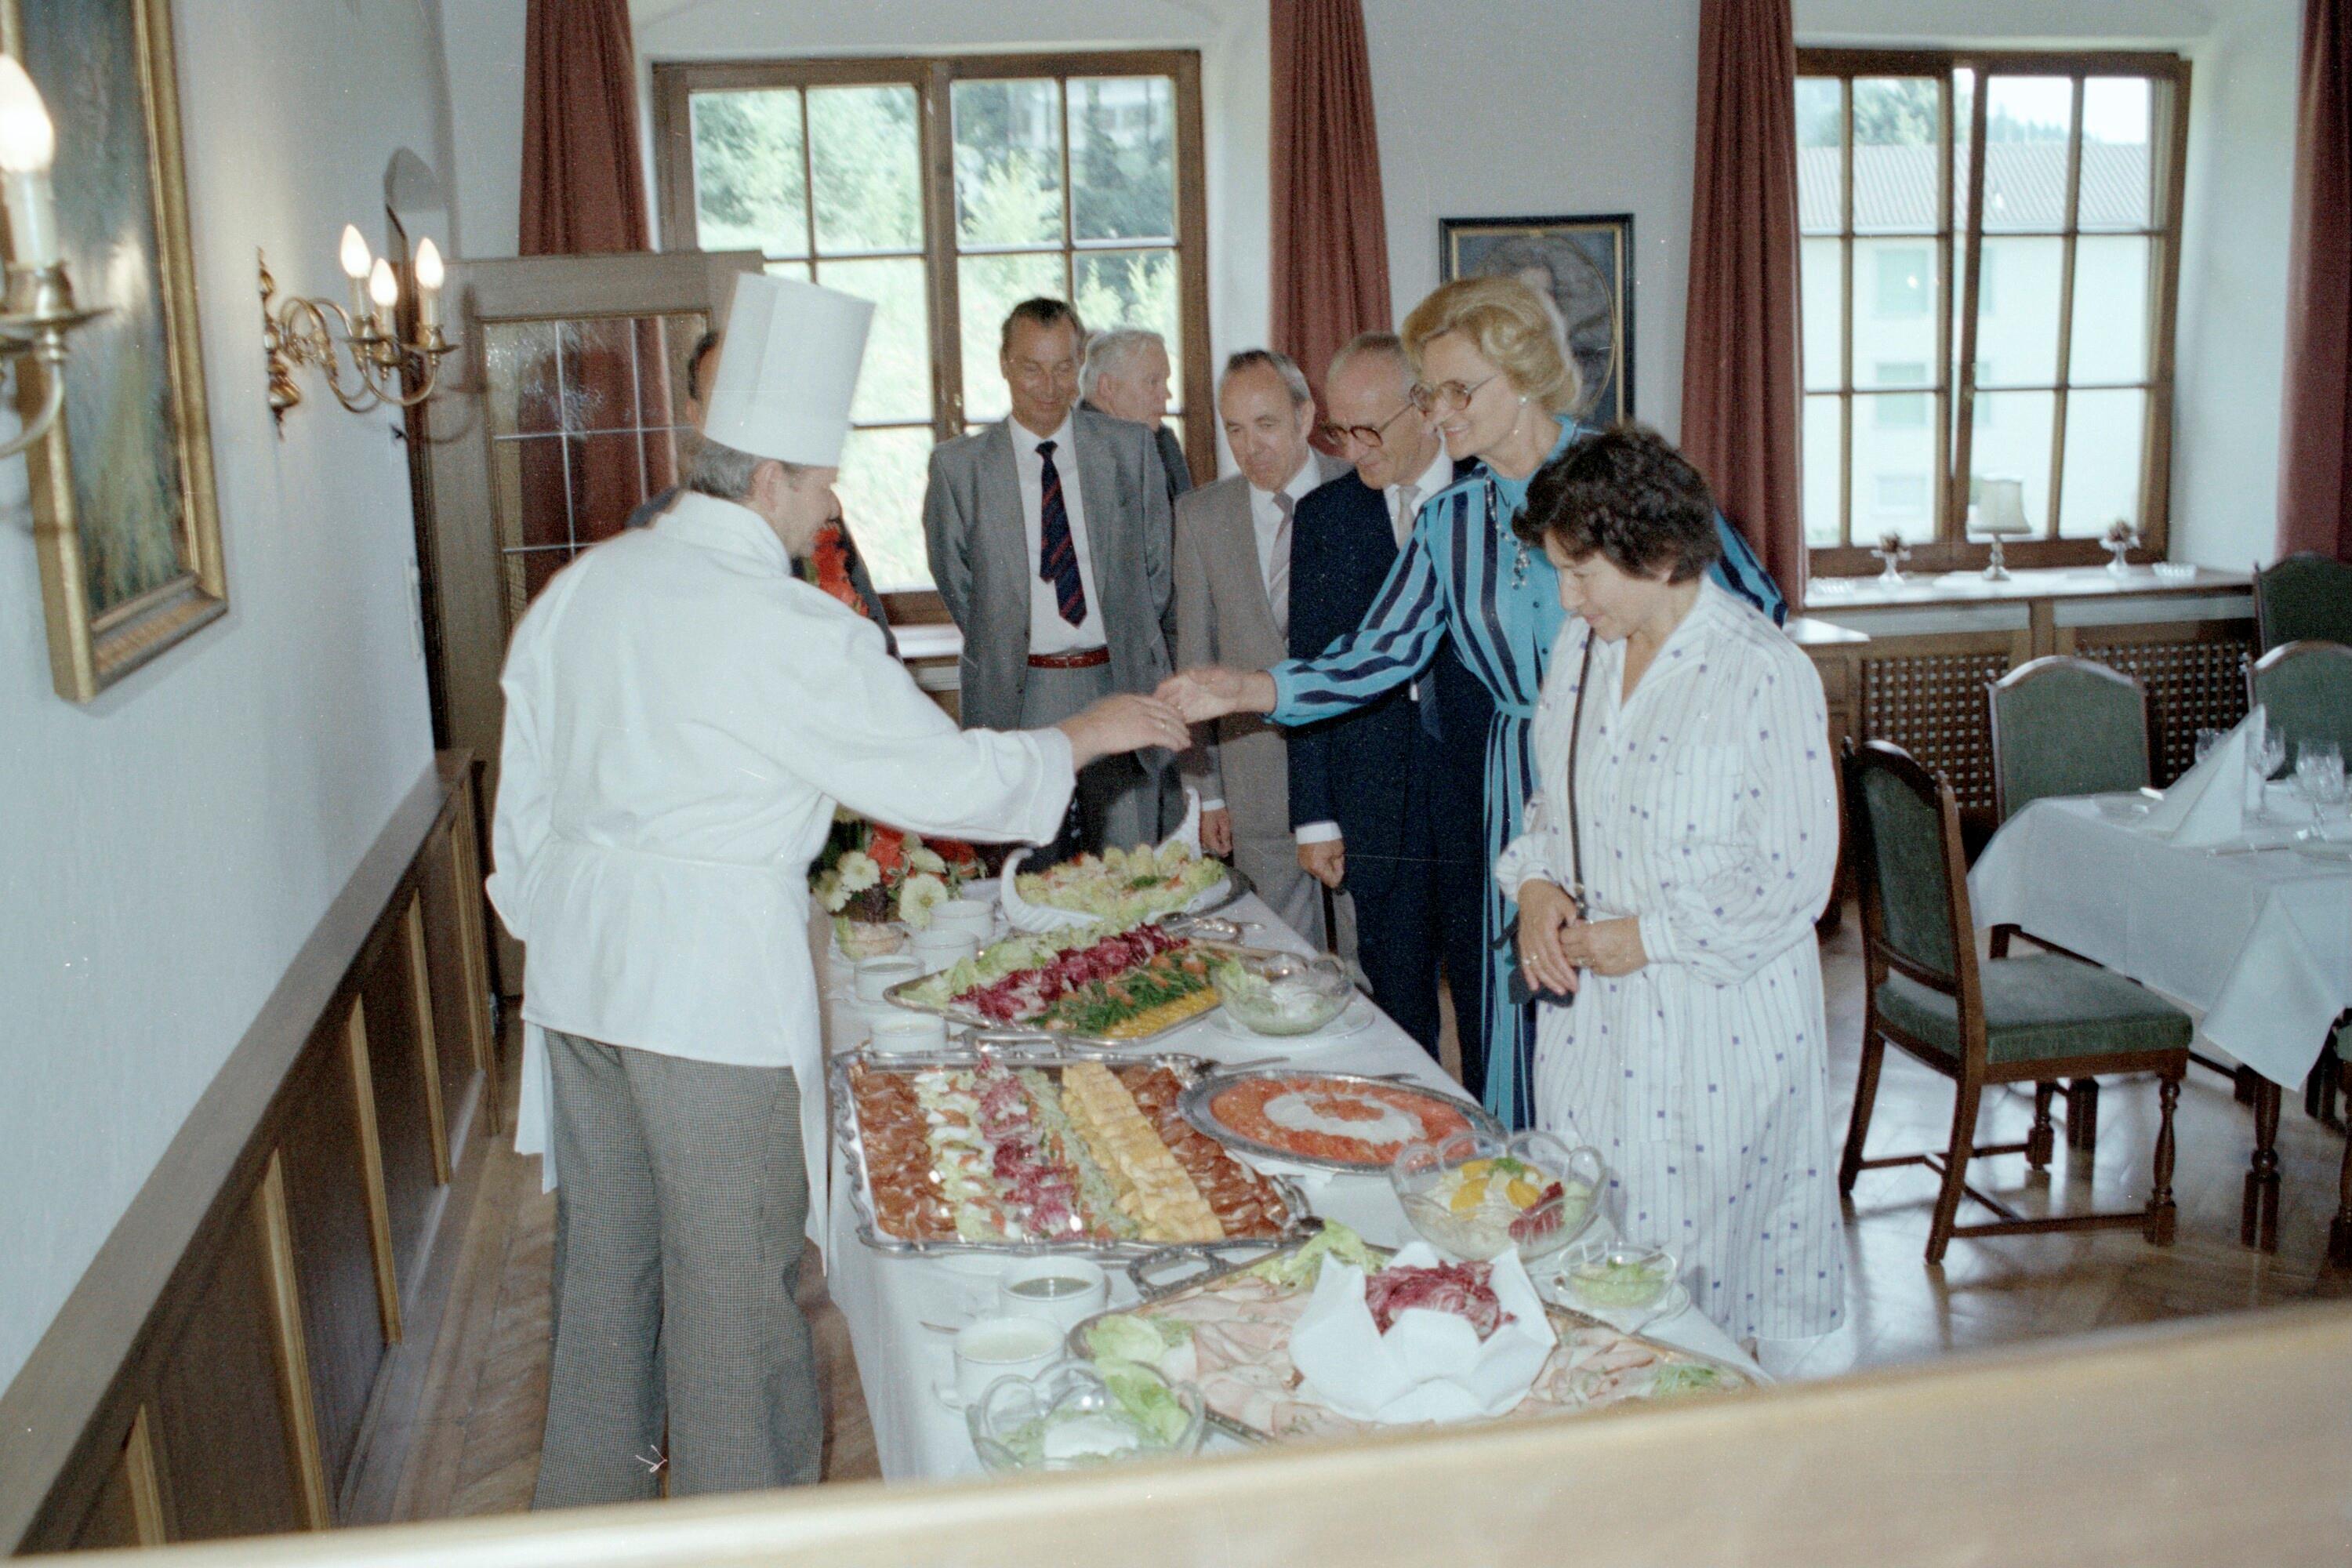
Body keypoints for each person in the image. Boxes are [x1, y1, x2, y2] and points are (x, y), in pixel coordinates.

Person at [488, 275, 1190, 1505]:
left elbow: (522, 824)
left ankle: (587, 1527)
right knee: (735, 1305)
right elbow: (949, 780)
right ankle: (752, 1534)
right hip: (707, 1001)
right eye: (819, 483)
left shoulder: (586, 587)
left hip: (577, 992)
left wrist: (577, 932)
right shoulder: (787, 625)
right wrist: (1090, 733)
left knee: (604, 1285)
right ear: (768, 480)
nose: (829, 507)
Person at [1159, 276, 1784, 1130]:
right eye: (1429, 392)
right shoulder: (1451, 519)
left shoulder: (1623, 482)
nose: (1438, 412)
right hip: (1513, 796)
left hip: (1639, 783)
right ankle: (1532, 1178)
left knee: (1634, 1020)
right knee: (1515, 1019)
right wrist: (1251, 688)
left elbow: (1756, 611)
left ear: (1524, 376)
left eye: (1459, 390)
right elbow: (1375, 656)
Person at [1495, 423, 1843, 1363]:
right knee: (1593, 1255)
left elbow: (1795, 872)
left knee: (1703, 1288)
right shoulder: (1582, 650)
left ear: (1653, 553)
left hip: (1715, 1019)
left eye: (1582, 573)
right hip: (1597, 1022)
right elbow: (1553, 801)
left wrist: (1648, 935)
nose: (1568, 598)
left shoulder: (1761, 670)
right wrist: (1535, 882)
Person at [924, 299, 1182, 862]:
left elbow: (1158, 572)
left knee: (1131, 871)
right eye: (1031, 368)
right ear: (1004, 364)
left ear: (1081, 364)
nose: (1048, 386)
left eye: (1063, 368)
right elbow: (959, 585)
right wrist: (1019, 638)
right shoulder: (959, 468)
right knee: (1029, 873)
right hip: (1020, 693)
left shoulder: (1130, 449)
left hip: (1116, 680)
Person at [1284, 332, 1484, 1060]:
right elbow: (1310, 667)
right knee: (1397, 1014)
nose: (1353, 450)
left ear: (1425, 410)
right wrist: (1314, 816)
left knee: (1488, 1001)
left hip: (1477, 795)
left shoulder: (1488, 499)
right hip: (1374, 801)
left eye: (1369, 430)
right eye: (1340, 431)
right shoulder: (1325, 517)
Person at [1174, 350, 1349, 945]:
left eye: (1266, 424)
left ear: (1305, 417)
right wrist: (1208, 795)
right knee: (1276, 953)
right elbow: (1195, 660)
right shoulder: (1200, 516)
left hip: (1353, 772)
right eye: (1235, 430)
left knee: (1370, 960)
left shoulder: (1360, 492)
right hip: (1254, 778)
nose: (1250, 448)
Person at [629, 328, 897, 653]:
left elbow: (874, 636)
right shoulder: (655, 524)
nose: (745, 420)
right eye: (726, 404)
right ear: (696, 417)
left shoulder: (811, 508)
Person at [1081, 326, 1192, 509]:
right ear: (1107, 387)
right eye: (1152, 382)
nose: (1167, 394)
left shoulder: (1163, 440)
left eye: (1165, 382)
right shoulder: (1073, 448)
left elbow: (1187, 515)